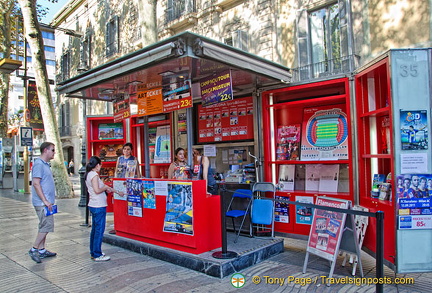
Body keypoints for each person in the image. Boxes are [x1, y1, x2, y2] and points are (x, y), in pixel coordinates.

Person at [85, 156, 124, 261]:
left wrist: (116, 191)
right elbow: (97, 190)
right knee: (99, 230)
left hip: (94, 205)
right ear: (97, 165)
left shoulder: (89, 174)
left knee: (95, 230)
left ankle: (94, 252)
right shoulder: (94, 175)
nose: (100, 167)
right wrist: (106, 187)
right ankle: (97, 254)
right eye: (100, 165)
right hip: (98, 205)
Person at [28, 142, 58, 263]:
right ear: (45, 150)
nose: (54, 152)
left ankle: (41, 250)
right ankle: (34, 248)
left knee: (44, 225)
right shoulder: (39, 165)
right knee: (46, 225)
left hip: (47, 202)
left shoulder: (45, 164)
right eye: (52, 150)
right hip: (42, 203)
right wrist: (45, 200)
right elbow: (36, 183)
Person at [111, 143, 140, 234]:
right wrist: (114, 183)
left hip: (130, 183)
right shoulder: (119, 159)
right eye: (125, 149)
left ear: (131, 150)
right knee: (120, 203)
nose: (126, 151)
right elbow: (116, 171)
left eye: (128, 149)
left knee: (130, 203)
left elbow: (138, 172)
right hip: (120, 183)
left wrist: (139, 180)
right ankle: (119, 224)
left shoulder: (134, 159)